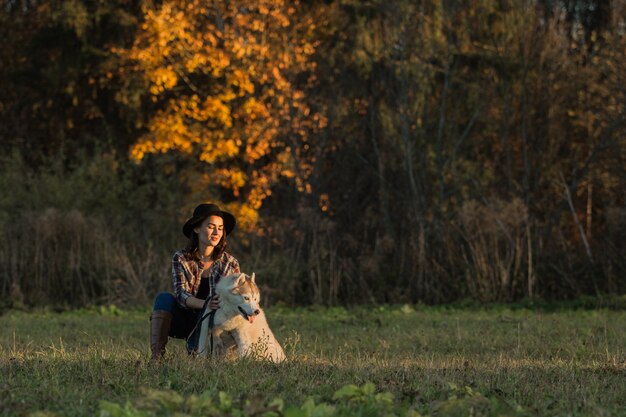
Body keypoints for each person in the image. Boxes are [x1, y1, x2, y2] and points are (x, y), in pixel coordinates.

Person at [149, 203, 240, 362]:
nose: (216, 232)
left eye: (220, 228)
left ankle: (205, 351)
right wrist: (206, 303)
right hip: (185, 318)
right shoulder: (181, 258)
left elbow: (234, 299)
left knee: (196, 360)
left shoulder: (230, 263)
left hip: (212, 323)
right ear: (197, 229)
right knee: (163, 298)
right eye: (211, 226)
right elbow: (182, 294)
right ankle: (156, 359)